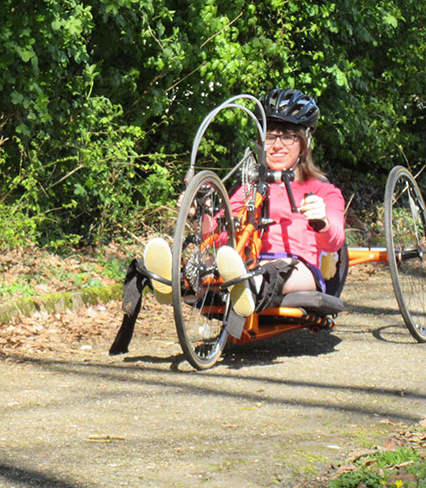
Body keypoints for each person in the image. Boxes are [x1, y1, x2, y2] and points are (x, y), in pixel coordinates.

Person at [145, 88, 345, 317]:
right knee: (217, 263)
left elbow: (335, 240)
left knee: (273, 271)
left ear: (304, 143)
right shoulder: (246, 189)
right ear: (261, 142)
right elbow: (221, 235)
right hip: (244, 262)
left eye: (288, 136)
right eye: (270, 136)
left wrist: (322, 221)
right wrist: (203, 211)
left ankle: (244, 286)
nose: (277, 145)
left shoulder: (322, 190)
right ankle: (177, 282)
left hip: (296, 267)